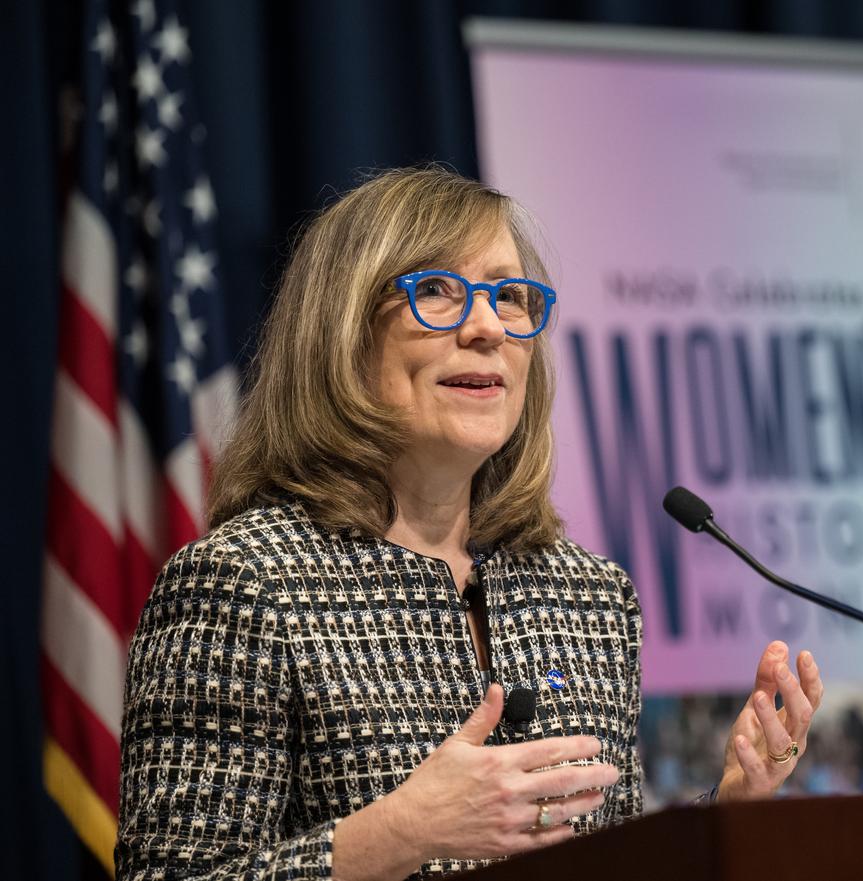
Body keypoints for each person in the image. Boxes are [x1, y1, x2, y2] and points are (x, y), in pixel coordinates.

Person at [114, 166, 824, 880]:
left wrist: (727, 806)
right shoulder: (244, 583)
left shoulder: (589, 597)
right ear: (342, 331)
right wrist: (398, 832)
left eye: (509, 297)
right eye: (437, 292)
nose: (486, 327)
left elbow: (609, 855)